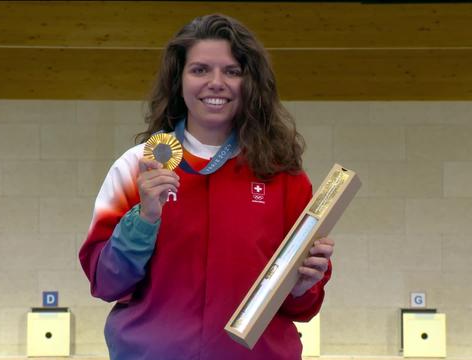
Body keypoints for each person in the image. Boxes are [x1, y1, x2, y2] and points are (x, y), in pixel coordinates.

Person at [79, 13, 334, 360]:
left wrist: (304, 283)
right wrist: (145, 218)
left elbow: (301, 307)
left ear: (251, 83)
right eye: (200, 70)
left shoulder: (283, 176)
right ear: (178, 80)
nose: (217, 82)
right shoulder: (137, 167)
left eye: (232, 71)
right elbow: (106, 283)